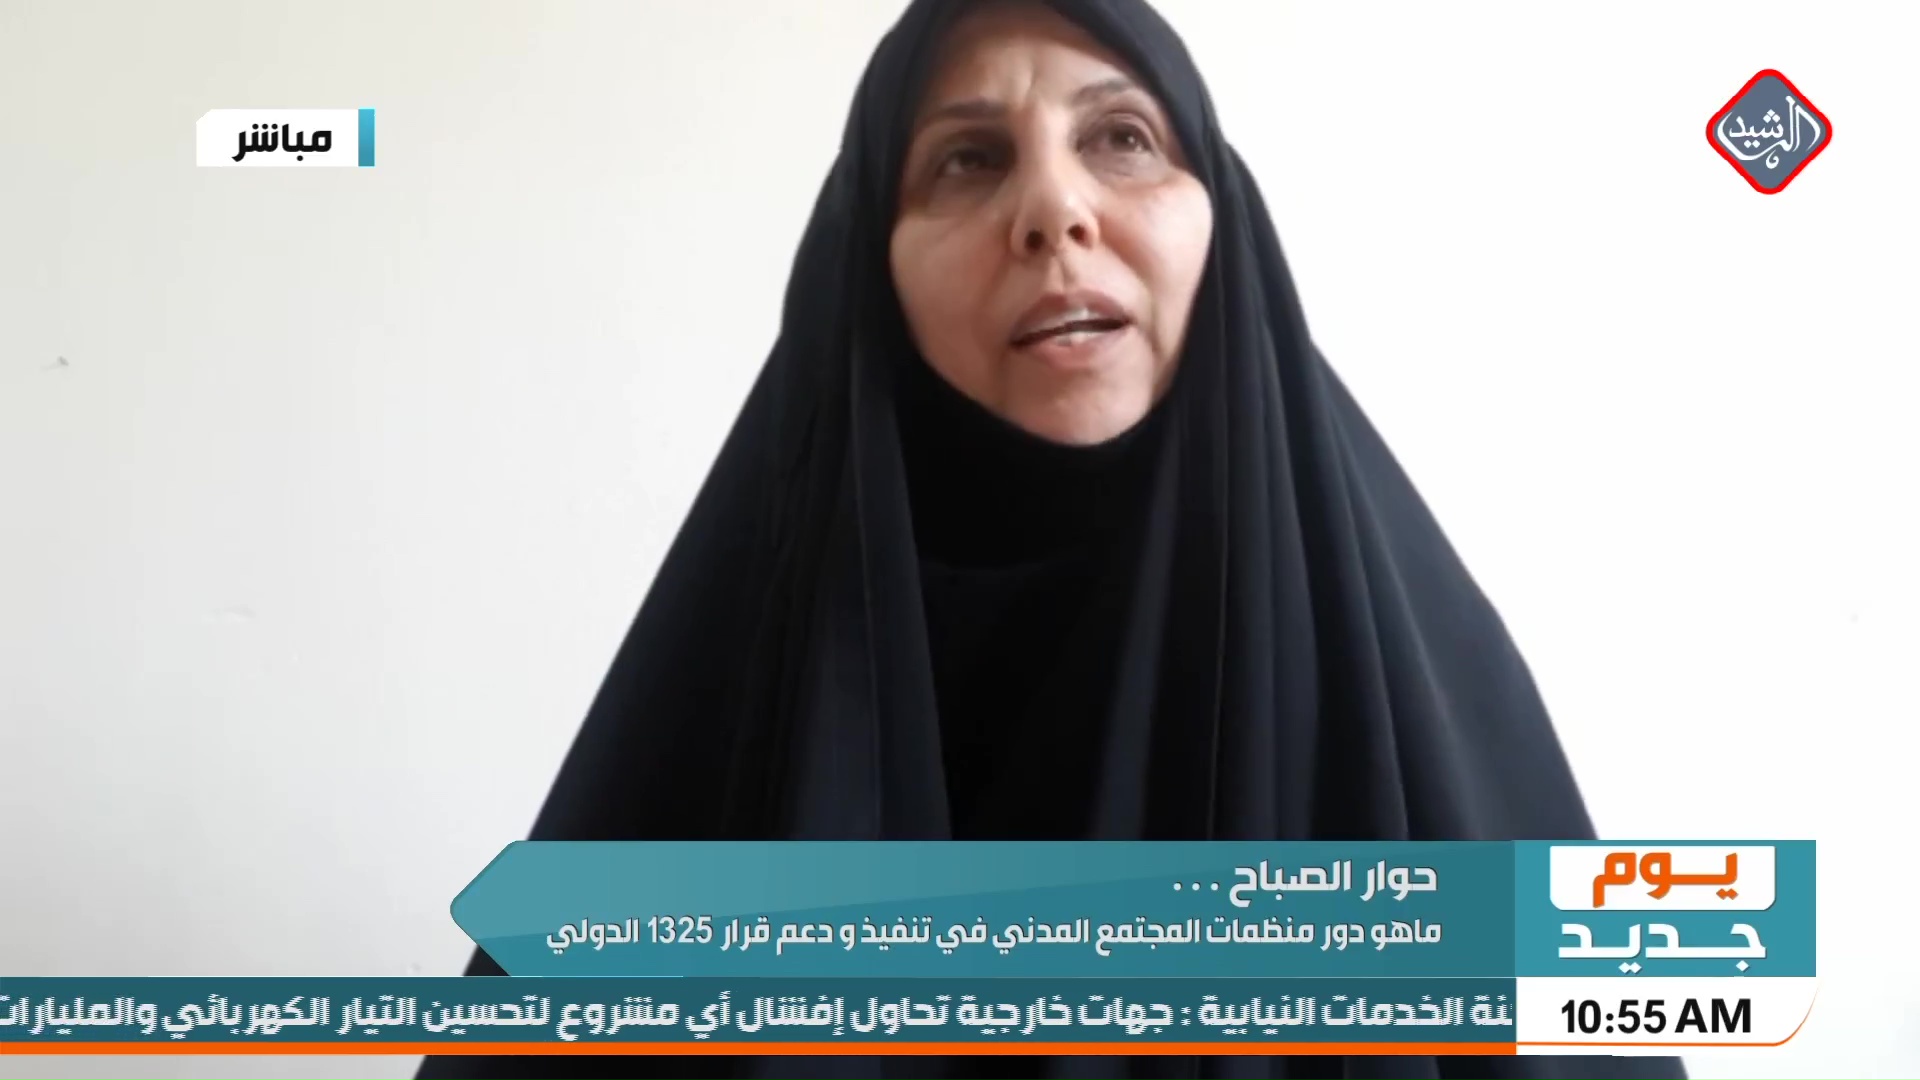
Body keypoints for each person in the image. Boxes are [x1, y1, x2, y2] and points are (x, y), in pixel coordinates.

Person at [419, 0, 1688, 1076]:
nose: (1055, 210)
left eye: (1122, 139)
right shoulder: (725, 716)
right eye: (967, 161)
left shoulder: (1423, 704)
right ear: (872, 272)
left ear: (1221, 219)